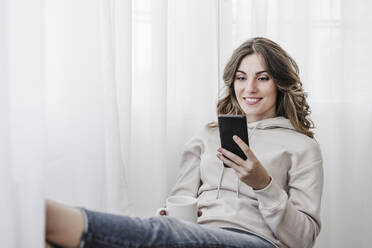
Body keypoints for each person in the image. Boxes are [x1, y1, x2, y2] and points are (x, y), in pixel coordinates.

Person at [45, 37, 323, 248]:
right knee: (160, 227)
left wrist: (263, 184)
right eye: (241, 78)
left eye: (263, 78)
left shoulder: (302, 147)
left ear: (281, 84)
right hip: (194, 234)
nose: (249, 88)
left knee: (162, 233)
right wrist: (170, 213)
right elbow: (181, 203)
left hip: (254, 241)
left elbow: (303, 239)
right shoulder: (207, 135)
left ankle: (48, 217)